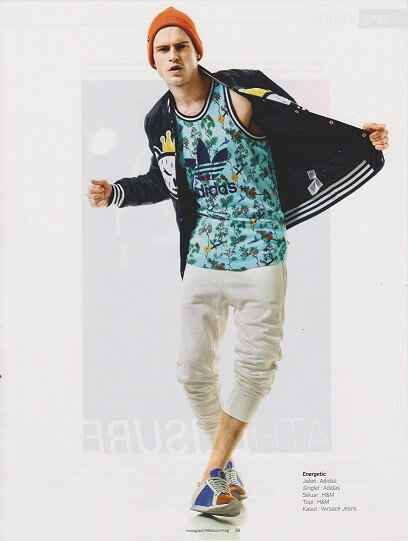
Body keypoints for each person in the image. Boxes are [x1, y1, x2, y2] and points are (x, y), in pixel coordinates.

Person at [86, 6, 389, 517]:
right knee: (191, 372)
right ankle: (222, 471)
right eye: (163, 49)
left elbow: (302, 129)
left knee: (255, 367)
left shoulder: (241, 94)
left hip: (260, 254)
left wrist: (356, 139)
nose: (173, 55)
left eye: (181, 45)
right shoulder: (158, 120)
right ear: (153, 61)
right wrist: (116, 192)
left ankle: (212, 473)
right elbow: (166, 179)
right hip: (202, 257)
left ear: (196, 50)